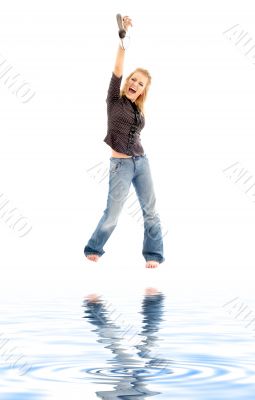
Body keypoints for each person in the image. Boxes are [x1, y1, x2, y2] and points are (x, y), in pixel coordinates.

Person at [84, 15, 165, 268]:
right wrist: (122, 41)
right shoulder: (114, 100)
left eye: (140, 84)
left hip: (142, 162)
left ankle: (153, 255)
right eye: (133, 79)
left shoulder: (139, 109)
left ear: (142, 90)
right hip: (120, 166)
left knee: (151, 211)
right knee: (113, 214)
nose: (134, 83)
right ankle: (94, 247)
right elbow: (117, 70)